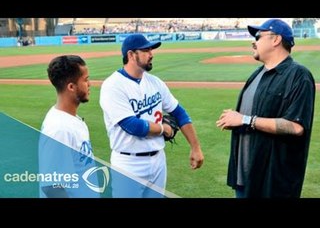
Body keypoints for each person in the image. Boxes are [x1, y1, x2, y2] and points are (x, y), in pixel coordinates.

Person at [216, 19, 315, 198]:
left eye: (258, 36)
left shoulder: (299, 76)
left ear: (276, 40)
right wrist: (237, 122)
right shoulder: (257, 74)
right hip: (245, 178)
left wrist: (245, 120)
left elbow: (296, 127)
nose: (253, 41)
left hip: (273, 184)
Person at [99, 34, 204, 197]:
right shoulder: (113, 86)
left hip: (158, 161)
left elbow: (180, 113)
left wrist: (195, 147)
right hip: (128, 164)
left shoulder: (155, 82)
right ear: (131, 55)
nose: (151, 54)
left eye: (151, 49)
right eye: (146, 50)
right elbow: (132, 126)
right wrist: (164, 129)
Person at [39, 55, 100, 198]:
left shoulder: (70, 119)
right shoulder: (59, 129)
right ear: (71, 87)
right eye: (85, 80)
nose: (89, 84)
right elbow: (52, 187)